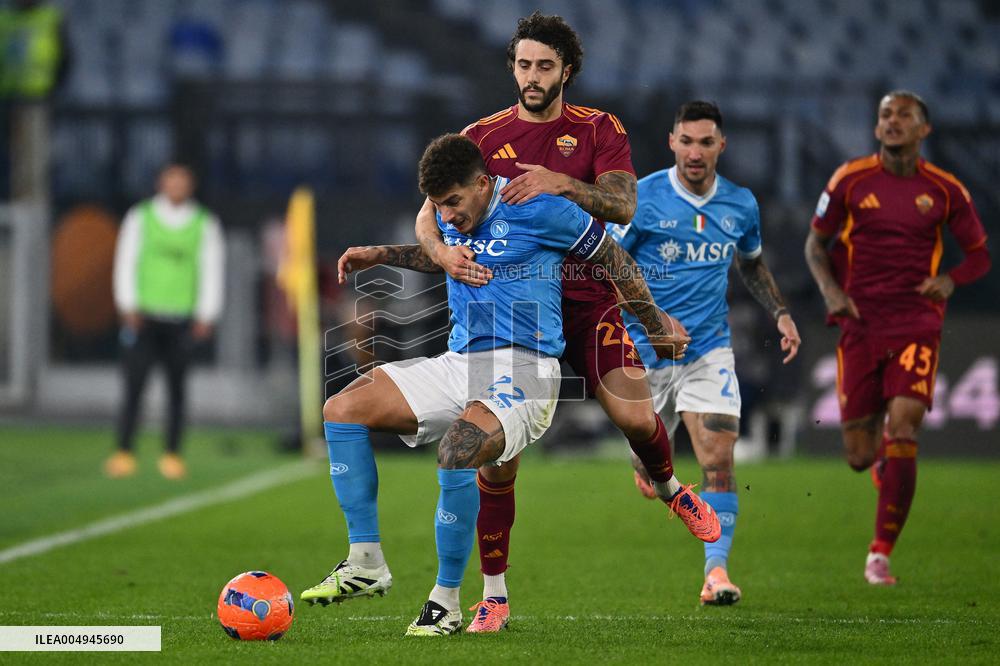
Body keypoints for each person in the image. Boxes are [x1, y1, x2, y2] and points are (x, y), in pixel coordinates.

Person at [302, 133, 681, 636]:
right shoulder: (448, 216)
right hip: (463, 361)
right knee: (342, 407)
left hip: (529, 367)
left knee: (460, 447)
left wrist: (653, 323)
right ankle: (365, 561)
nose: (447, 215)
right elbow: (438, 250)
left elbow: (613, 258)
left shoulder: (539, 209)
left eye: (454, 203)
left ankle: (446, 602)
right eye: (439, 206)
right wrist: (382, 254)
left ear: (483, 184)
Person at [413, 12, 718, 632]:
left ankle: (667, 488)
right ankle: (493, 595)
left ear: (566, 72)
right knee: (496, 462)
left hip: (590, 297)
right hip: (516, 311)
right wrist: (442, 251)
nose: (532, 76)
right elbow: (429, 212)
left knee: (636, 415)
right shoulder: (482, 136)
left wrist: (560, 183)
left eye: (544, 66)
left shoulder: (598, 129)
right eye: (523, 64)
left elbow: (623, 204)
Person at [613, 101, 801, 605]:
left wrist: (781, 313)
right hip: (643, 354)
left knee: (718, 457)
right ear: (672, 142)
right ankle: (648, 463)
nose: (695, 152)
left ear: (721, 146)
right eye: (687, 141)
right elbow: (607, 263)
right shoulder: (642, 199)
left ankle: (716, 574)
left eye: (706, 142)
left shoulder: (740, 204)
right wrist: (649, 321)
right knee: (651, 469)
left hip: (707, 350)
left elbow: (753, 266)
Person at [804, 91, 990, 585]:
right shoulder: (850, 178)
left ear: (924, 129)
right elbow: (815, 244)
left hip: (915, 321)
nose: (892, 122)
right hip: (860, 322)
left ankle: (879, 553)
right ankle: (886, 467)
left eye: (904, 115)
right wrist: (830, 292)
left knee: (904, 427)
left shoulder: (946, 190)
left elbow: (979, 255)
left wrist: (951, 279)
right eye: (886, 114)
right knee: (860, 456)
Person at [106, 162, 225, 479]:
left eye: (182, 181)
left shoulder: (204, 222)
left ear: (191, 185)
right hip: (143, 317)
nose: (176, 186)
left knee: (177, 389)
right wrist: (127, 304)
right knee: (133, 386)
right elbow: (125, 260)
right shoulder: (140, 216)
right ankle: (124, 452)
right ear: (161, 182)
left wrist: (206, 313)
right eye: (171, 180)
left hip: (181, 319)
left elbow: (211, 269)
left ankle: (172, 454)